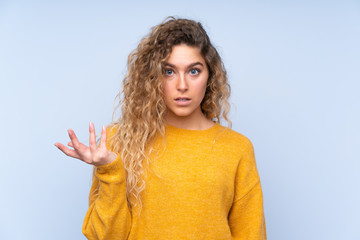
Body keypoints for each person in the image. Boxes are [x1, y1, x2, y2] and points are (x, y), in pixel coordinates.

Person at [55, 16, 267, 240]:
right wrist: (110, 170)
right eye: (169, 71)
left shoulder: (236, 148)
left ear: (210, 76)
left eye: (194, 71)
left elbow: (251, 234)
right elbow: (105, 236)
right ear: (152, 77)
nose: (182, 85)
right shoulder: (120, 141)